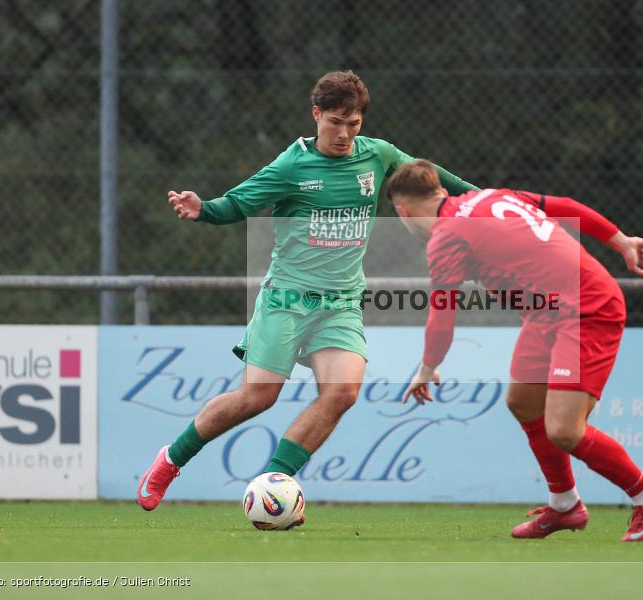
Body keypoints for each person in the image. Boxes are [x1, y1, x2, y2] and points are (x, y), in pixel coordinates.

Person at [137, 71, 477, 513]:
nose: (344, 133)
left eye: (353, 124)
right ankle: (170, 460)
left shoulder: (379, 155)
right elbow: (237, 203)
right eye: (335, 122)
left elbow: (433, 181)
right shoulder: (292, 166)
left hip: (340, 304)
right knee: (257, 398)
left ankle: (271, 486)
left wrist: (487, 202)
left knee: (343, 392)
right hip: (287, 299)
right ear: (316, 114)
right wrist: (204, 209)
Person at [386, 159, 643, 542]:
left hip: (585, 309)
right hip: (547, 314)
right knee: (523, 402)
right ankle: (565, 505)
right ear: (440, 190)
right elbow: (567, 206)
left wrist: (427, 368)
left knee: (564, 430)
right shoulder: (492, 196)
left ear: (403, 212)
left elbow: (442, 315)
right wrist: (621, 241)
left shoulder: (446, 237)